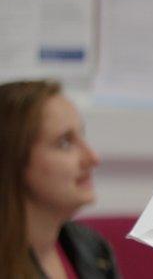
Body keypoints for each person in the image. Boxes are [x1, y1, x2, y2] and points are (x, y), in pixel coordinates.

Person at [0, 80, 120, 279]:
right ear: (13, 159)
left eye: (82, 136)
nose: (92, 158)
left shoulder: (93, 249)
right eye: (64, 142)